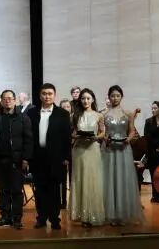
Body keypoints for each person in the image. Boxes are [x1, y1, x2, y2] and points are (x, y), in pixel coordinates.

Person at [26, 83, 71, 230]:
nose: (47, 96)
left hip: (56, 158)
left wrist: (66, 157)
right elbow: (28, 136)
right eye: (44, 93)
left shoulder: (62, 114)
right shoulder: (31, 113)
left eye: (50, 93)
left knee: (54, 190)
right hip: (38, 157)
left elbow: (67, 137)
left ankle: (55, 219)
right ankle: (41, 218)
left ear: (54, 95)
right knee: (40, 190)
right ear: (40, 95)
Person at [0, 89, 32, 229]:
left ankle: (17, 218)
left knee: (16, 191)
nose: (7, 101)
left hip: (16, 160)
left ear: (15, 100)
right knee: (3, 191)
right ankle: (5, 217)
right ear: (1, 101)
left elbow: (28, 139)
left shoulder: (23, 118)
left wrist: (26, 158)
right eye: (4, 99)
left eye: (10, 98)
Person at [101, 85, 142, 225]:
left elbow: (132, 130)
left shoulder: (128, 113)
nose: (115, 98)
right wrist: (105, 138)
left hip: (124, 148)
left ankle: (123, 214)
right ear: (109, 97)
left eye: (118, 96)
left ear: (121, 97)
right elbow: (101, 132)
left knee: (123, 178)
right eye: (112, 96)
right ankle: (110, 214)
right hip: (109, 149)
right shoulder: (103, 114)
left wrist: (128, 139)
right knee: (109, 179)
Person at [70, 88, 106, 227]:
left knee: (93, 181)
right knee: (80, 180)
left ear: (92, 100)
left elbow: (103, 132)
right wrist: (77, 135)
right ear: (80, 100)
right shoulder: (75, 115)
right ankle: (81, 215)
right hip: (79, 150)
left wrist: (96, 137)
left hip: (93, 149)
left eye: (88, 98)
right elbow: (73, 133)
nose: (85, 101)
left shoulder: (99, 115)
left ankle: (92, 214)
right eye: (83, 98)